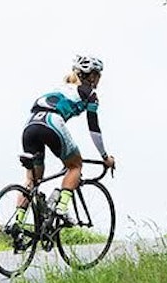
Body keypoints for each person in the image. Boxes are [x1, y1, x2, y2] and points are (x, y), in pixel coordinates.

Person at [16, 55, 116, 229]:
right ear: (91, 76)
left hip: (30, 125)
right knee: (75, 165)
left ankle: (17, 223)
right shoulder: (90, 94)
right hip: (51, 123)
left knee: (32, 180)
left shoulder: (59, 88)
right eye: (98, 75)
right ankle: (61, 209)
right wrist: (105, 156)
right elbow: (94, 128)